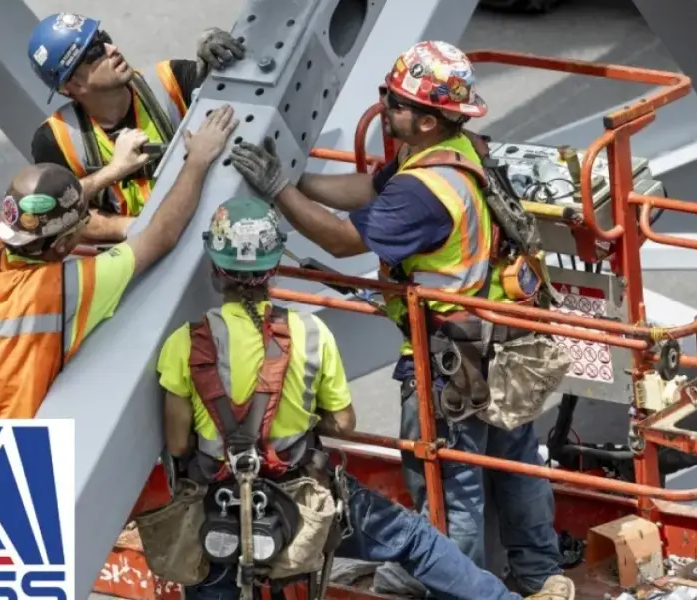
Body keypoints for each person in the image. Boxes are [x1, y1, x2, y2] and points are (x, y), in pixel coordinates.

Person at [228, 40, 571, 597]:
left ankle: (461, 590)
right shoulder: (457, 150)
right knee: (515, 461)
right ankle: (539, 574)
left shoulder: (423, 192)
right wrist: (296, 180)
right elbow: (369, 188)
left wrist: (277, 192)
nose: (385, 105)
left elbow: (342, 240)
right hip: (500, 340)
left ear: (428, 119)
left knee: (449, 485)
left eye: (396, 102)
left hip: (451, 359)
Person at [137, 196, 573, 600]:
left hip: (218, 509)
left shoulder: (185, 344)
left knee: (212, 578)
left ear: (216, 271)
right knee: (416, 541)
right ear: (274, 269)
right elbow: (343, 423)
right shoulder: (310, 335)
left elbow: (177, 443)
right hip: (301, 498)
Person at [0, 105, 239, 419]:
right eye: (81, 225)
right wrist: (198, 159)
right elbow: (161, 235)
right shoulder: (65, 288)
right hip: (17, 442)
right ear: (62, 245)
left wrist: (114, 170)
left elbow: (33, 213)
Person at [26, 12, 245, 243]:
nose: (112, 49)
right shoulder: (55, 139)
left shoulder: (171, 79)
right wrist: (114, 176)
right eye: (95, 51)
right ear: (72, 85)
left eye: (104, 38)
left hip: (216, 223)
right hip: (139, 252)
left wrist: (223, 61)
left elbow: (241, 101)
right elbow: (55, 216)